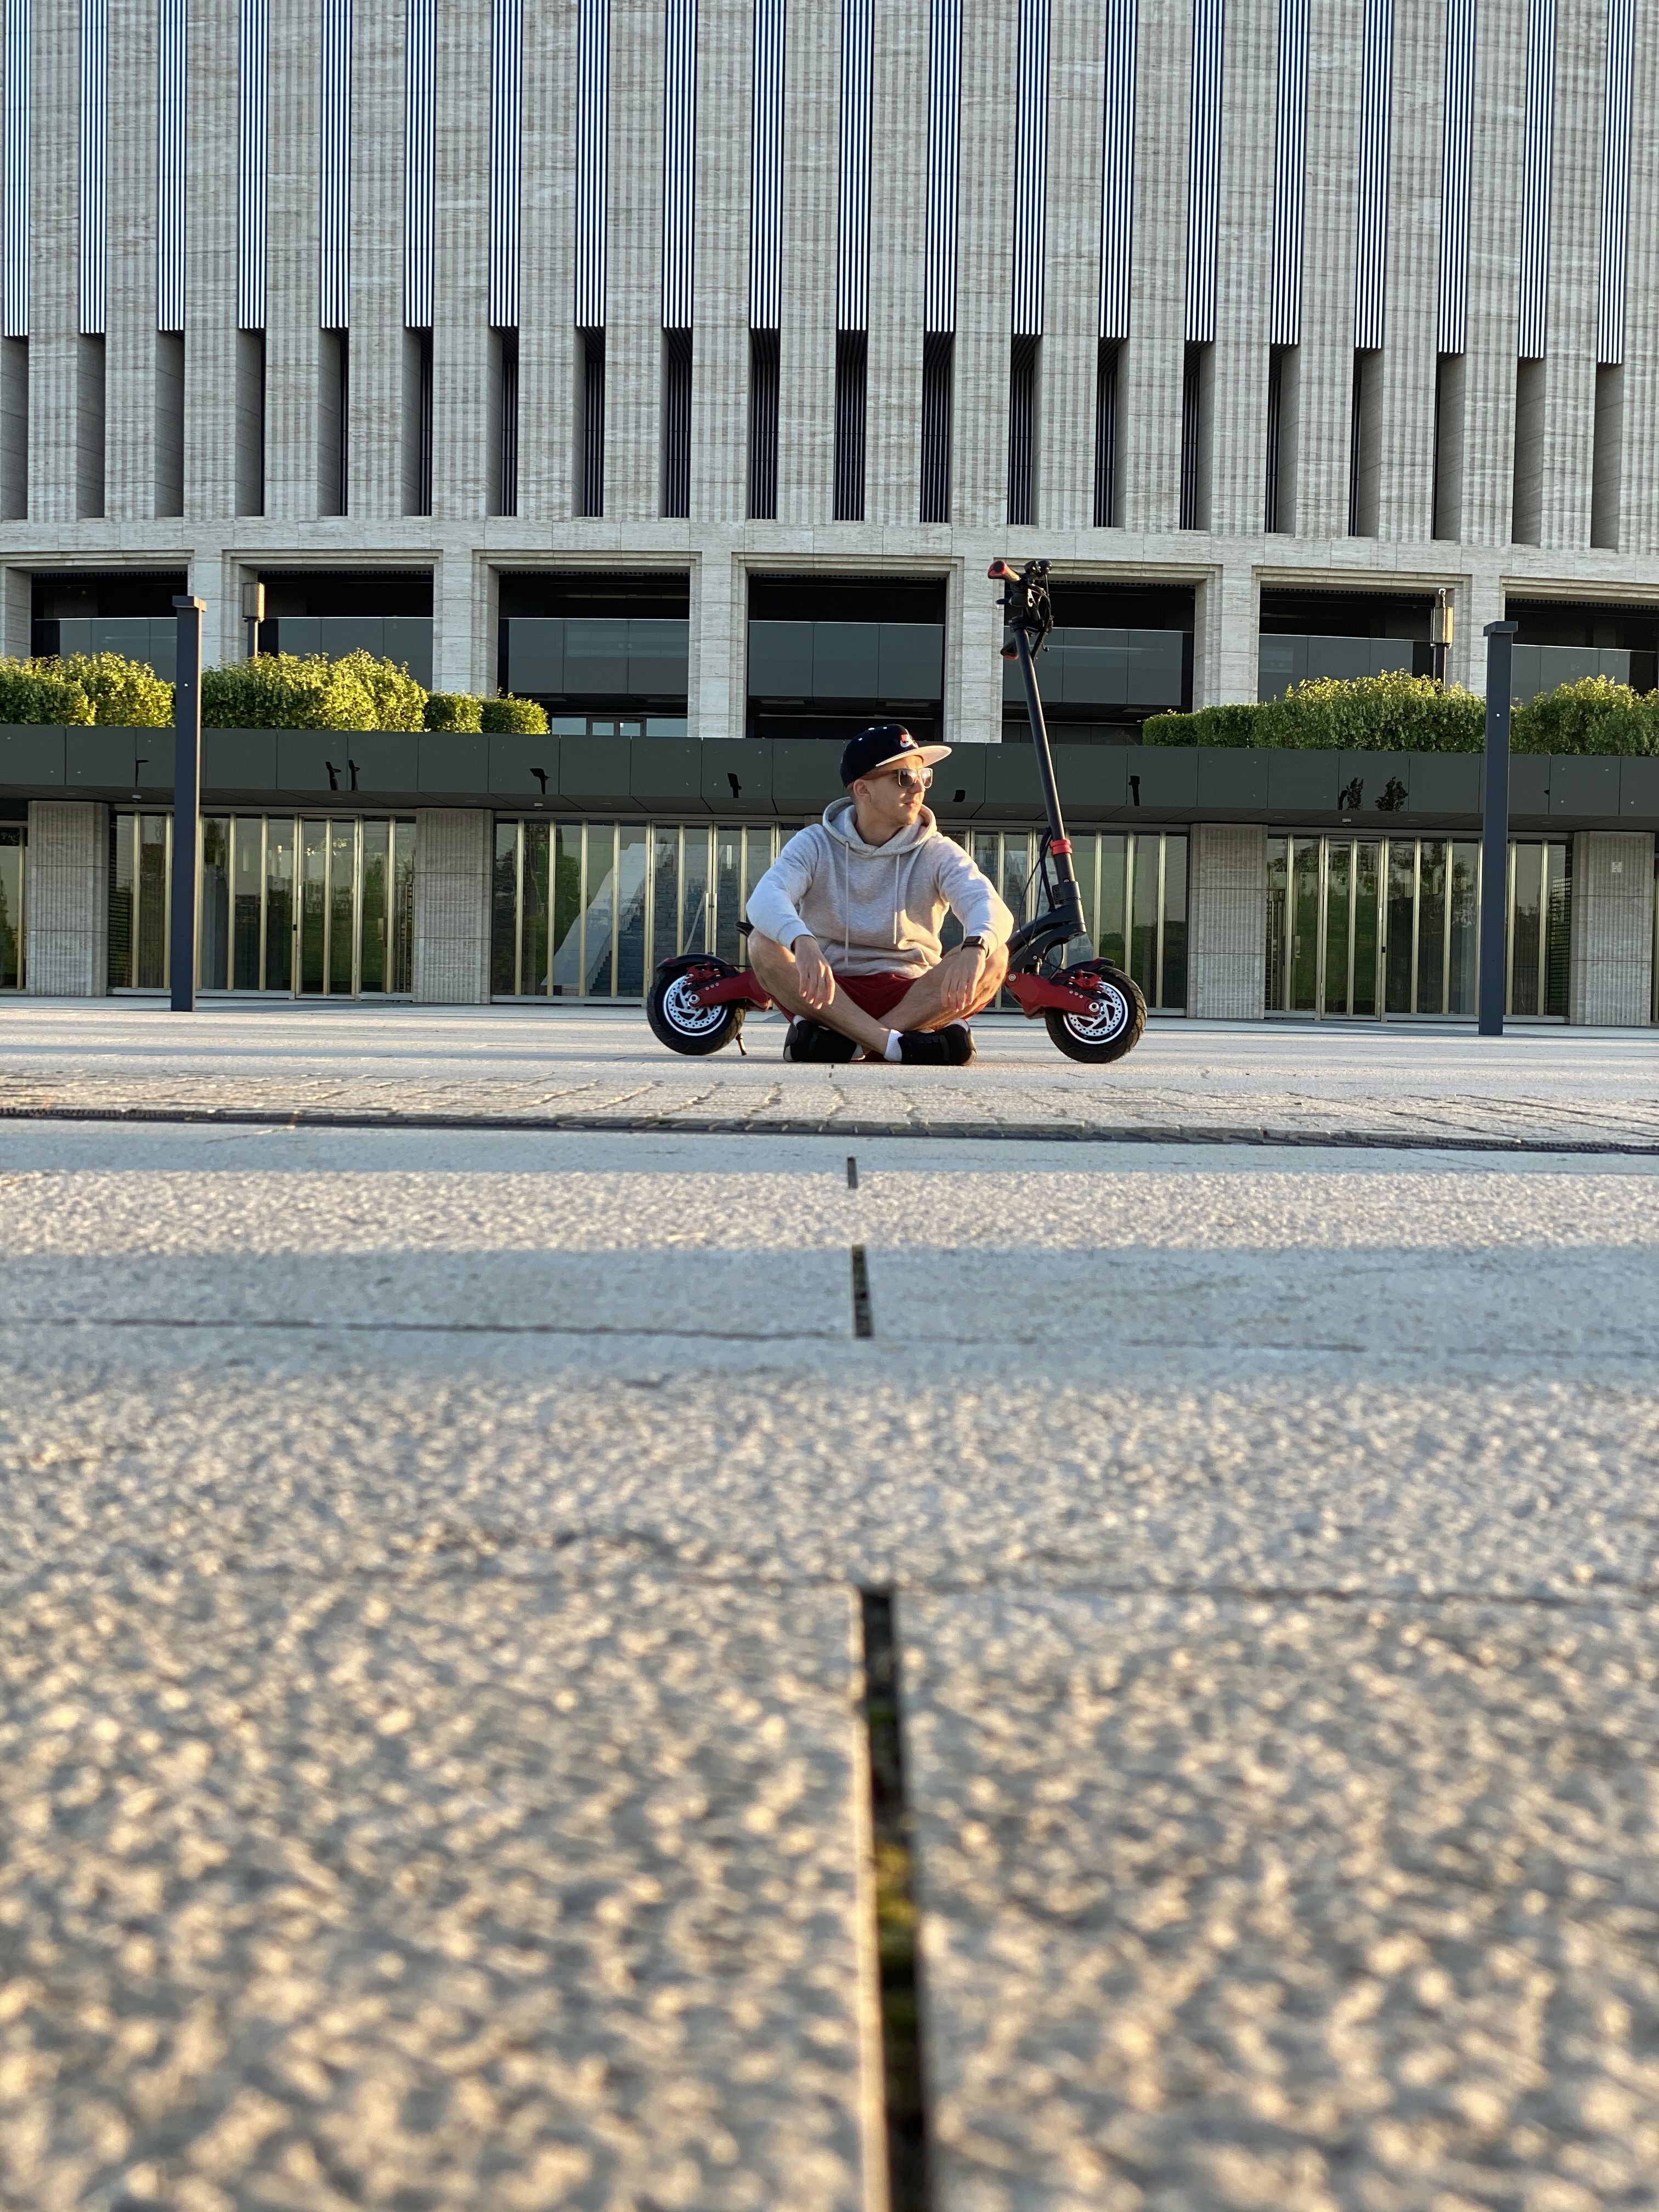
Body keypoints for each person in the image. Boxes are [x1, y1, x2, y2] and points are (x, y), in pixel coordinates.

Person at [744, 723, 1014, 1064]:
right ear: (863, 789)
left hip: (913, 995)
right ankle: (900, 1046)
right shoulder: (815, 842)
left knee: (994, 952)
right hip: (831, 991)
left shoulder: (938, 851)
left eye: (924, 777)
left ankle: (858, 1043)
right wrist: (803, 940)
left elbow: (987, 904)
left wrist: (977, 946)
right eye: (903, 777)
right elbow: (766, 896)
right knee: (762, 942)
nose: (919, 787)